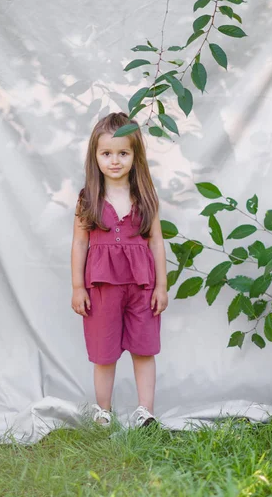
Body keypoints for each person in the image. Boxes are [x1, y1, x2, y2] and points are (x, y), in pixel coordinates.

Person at [70, 111, 168, 429]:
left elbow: (156, 244)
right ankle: (104, 411)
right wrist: (77, 287)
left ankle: (145, 411)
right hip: (101, 288)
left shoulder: (146, 198)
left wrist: (161, 287)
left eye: (123, 153)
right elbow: (79, 245)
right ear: (95, 156)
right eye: (107, 153)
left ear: (134, 155)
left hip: (142, 287)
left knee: (143, 349)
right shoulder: (88, 199)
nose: (115, 160)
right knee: (104, 351)